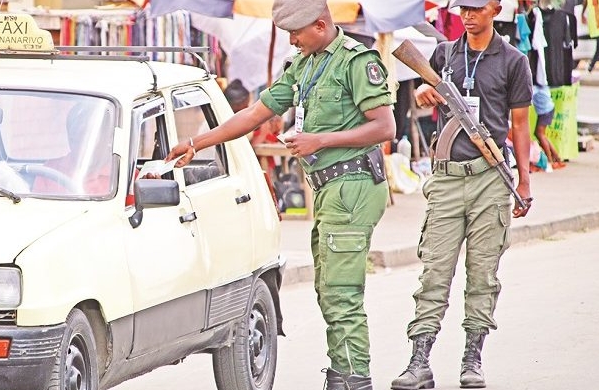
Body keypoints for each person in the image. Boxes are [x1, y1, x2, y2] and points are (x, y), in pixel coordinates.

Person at [166, 0, 395, 388]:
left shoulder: (356, 62)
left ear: (321, 25)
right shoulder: (303, 64)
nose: (291, 40)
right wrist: (197, 141)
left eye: (296, 33)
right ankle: (343, 373)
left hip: (353, 185)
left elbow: (384, 127)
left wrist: (319, 139)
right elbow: (254, 114)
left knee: (341, 293)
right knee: (328, 289)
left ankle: (355, 380)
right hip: (328, 187)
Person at [390, 1, 533, 389]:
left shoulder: (514, 61)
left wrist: (523, 181)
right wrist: (422, 91)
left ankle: (473, 359)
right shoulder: (444, 54)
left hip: (489, 178)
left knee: (483, 274)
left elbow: (520, 125)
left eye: (477, 8)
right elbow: (425, 89)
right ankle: (419, 360)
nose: (469, 15)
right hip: (448, 180)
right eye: (464, 8)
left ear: (496, 9)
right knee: (435, 272)